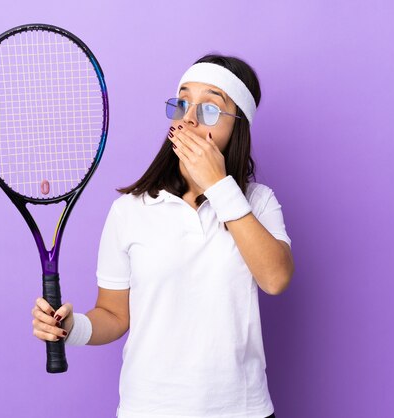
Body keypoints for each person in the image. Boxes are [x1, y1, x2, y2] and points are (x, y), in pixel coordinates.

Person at [31, 53, 294, 418]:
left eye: (209, 109)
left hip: (242, 409)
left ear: (238, 127)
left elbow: (276, 278)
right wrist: (72, 328)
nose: (188, 118)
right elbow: (114, 314)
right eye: (182, 103)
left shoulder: (257, 203)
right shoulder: (131, 210)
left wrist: (219, 186)